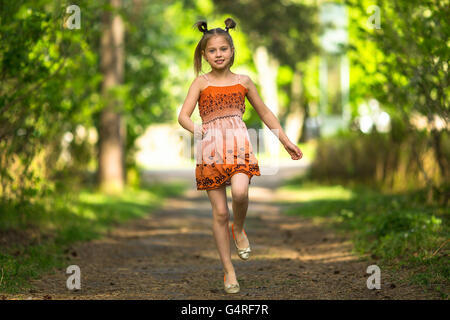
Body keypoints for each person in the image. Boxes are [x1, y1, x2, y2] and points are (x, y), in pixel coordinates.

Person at [178, 17, 302, 294]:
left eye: (223, 49)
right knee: (220, 212)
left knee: (241, 193)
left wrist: (285, 140)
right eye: (212, 50)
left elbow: (266, 112)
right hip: (211, 149)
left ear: (232, 50)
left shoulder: (244, 81)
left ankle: (240, 228)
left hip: (239, 146)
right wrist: (199, 130)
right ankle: (228, 270)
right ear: (204, 54)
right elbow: (183, 116)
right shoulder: (200, 83)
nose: (218, 54)